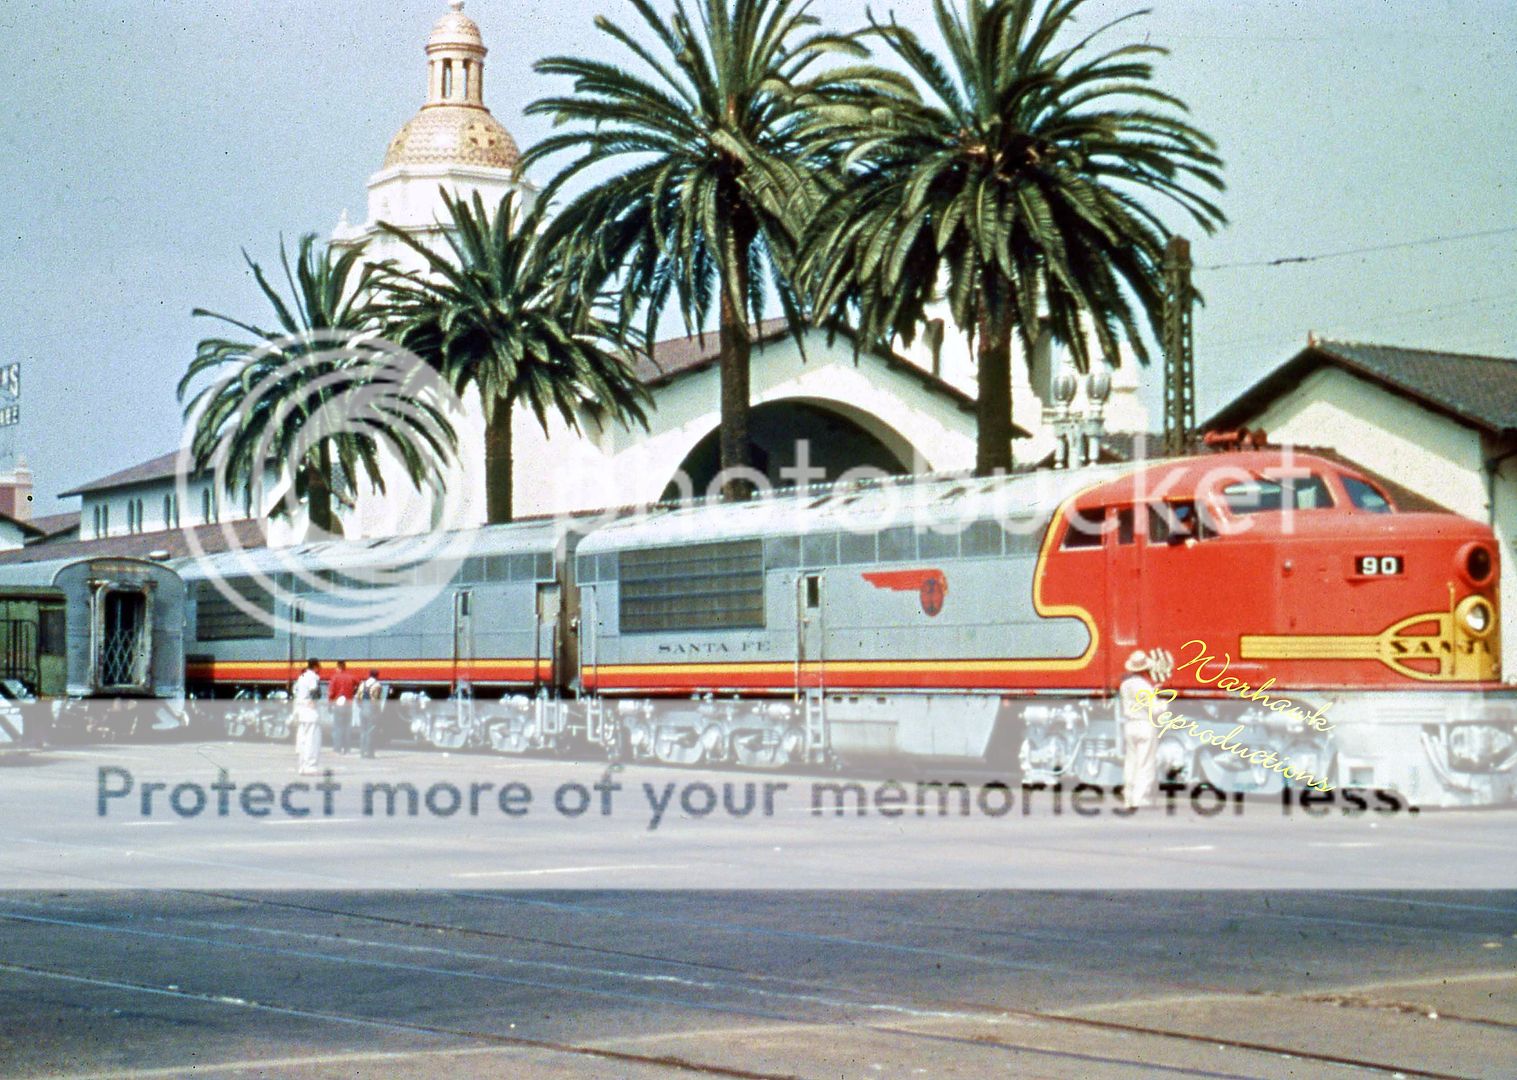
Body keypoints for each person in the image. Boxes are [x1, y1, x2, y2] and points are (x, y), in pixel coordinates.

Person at [1119, 648, 1172, 809]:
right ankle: (1139, 799)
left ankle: (1128, 796)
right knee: (1145, 763)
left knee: (1131, 762)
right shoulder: (1144, 686)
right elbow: (1155, 709)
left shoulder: (1125, 685)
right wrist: (1165, 704)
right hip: (1144, 725)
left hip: (1129, 725)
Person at [292, 658, 323, 776]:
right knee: (313, 740)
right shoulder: (313, 677)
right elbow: (314, 691)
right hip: (310, 711)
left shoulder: (301, 677)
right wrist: (314, 701)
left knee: (302, 740)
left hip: (300, 711)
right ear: (315, 666)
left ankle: (302, 766)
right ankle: (310, 766)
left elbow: (295, 692)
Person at [327, 660, 361, 755]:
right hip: (349, 703)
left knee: (338, 727)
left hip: (338, 703)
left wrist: (329, 704)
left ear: (338, 667)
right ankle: (347, 748)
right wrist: (354, 692)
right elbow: (359, 683)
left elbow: (331, 692)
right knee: (347, 727)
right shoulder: (351, 676)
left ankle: (337, 748)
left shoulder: (335, 677)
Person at [356, 668, 384, 759]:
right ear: (377, 676)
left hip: (363, 708)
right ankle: (369, 753)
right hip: (372, 709)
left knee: (363, 731)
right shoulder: (377, 685)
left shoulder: (362, 684)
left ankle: (362, 752)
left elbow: (358, 697)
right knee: (370, 731)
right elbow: (376, 700)